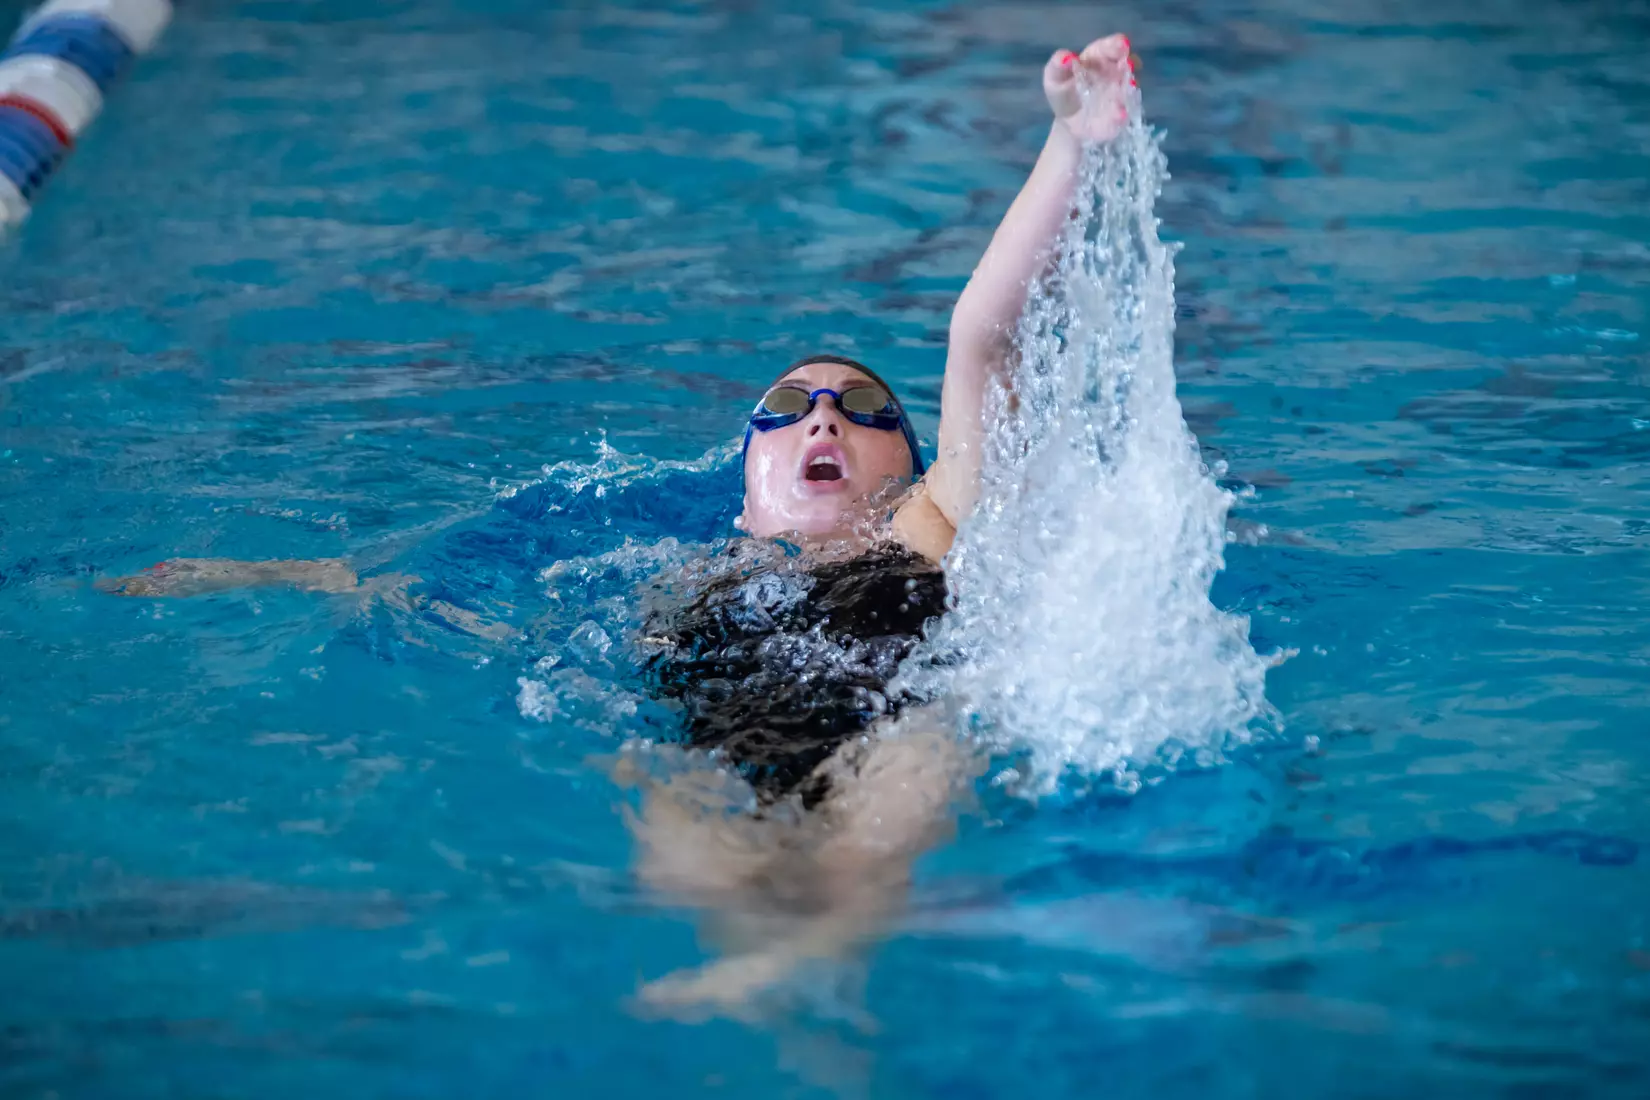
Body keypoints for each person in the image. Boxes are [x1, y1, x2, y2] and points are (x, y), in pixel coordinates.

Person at [100, 35, 1138, 1015]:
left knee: (889, 801)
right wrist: (275, 575)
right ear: (746, 484)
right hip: (715, 735)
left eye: (868, 410)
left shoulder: (928, 523)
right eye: (788, 405)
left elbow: (981, 333)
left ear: (911, 466)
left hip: (893, 718)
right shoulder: (678, 567)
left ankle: (820, 949)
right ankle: (768, 970)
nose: (824, 412)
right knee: (676, 814)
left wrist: (1065, 140)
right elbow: (471, 611)